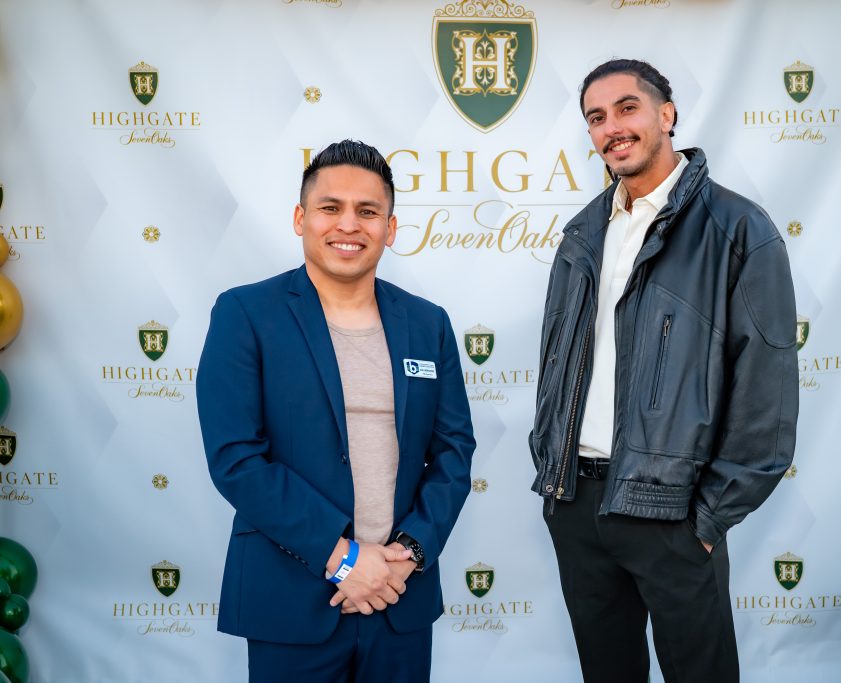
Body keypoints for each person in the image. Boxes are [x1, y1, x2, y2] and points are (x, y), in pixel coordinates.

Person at [529, 59, 798, 683]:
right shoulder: (583, 234)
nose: (611, 127)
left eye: (627, 108)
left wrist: (707, 517)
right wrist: (552, 469)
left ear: (666, 115)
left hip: (672, 512)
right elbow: (556, 362)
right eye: (596, 117)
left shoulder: (737, 228)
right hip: (576, 499)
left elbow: (766, 386)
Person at [197, 140, 475, 683]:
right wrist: (345, 558)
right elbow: (237, 460)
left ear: (389, 229)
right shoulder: (245, 313)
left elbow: (454, 452)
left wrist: (407, 554)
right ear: (302, 219)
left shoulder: (428, 324)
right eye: (331, 208)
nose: (349, 224)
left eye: (368, 211)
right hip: (293, 599)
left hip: (401, 595)